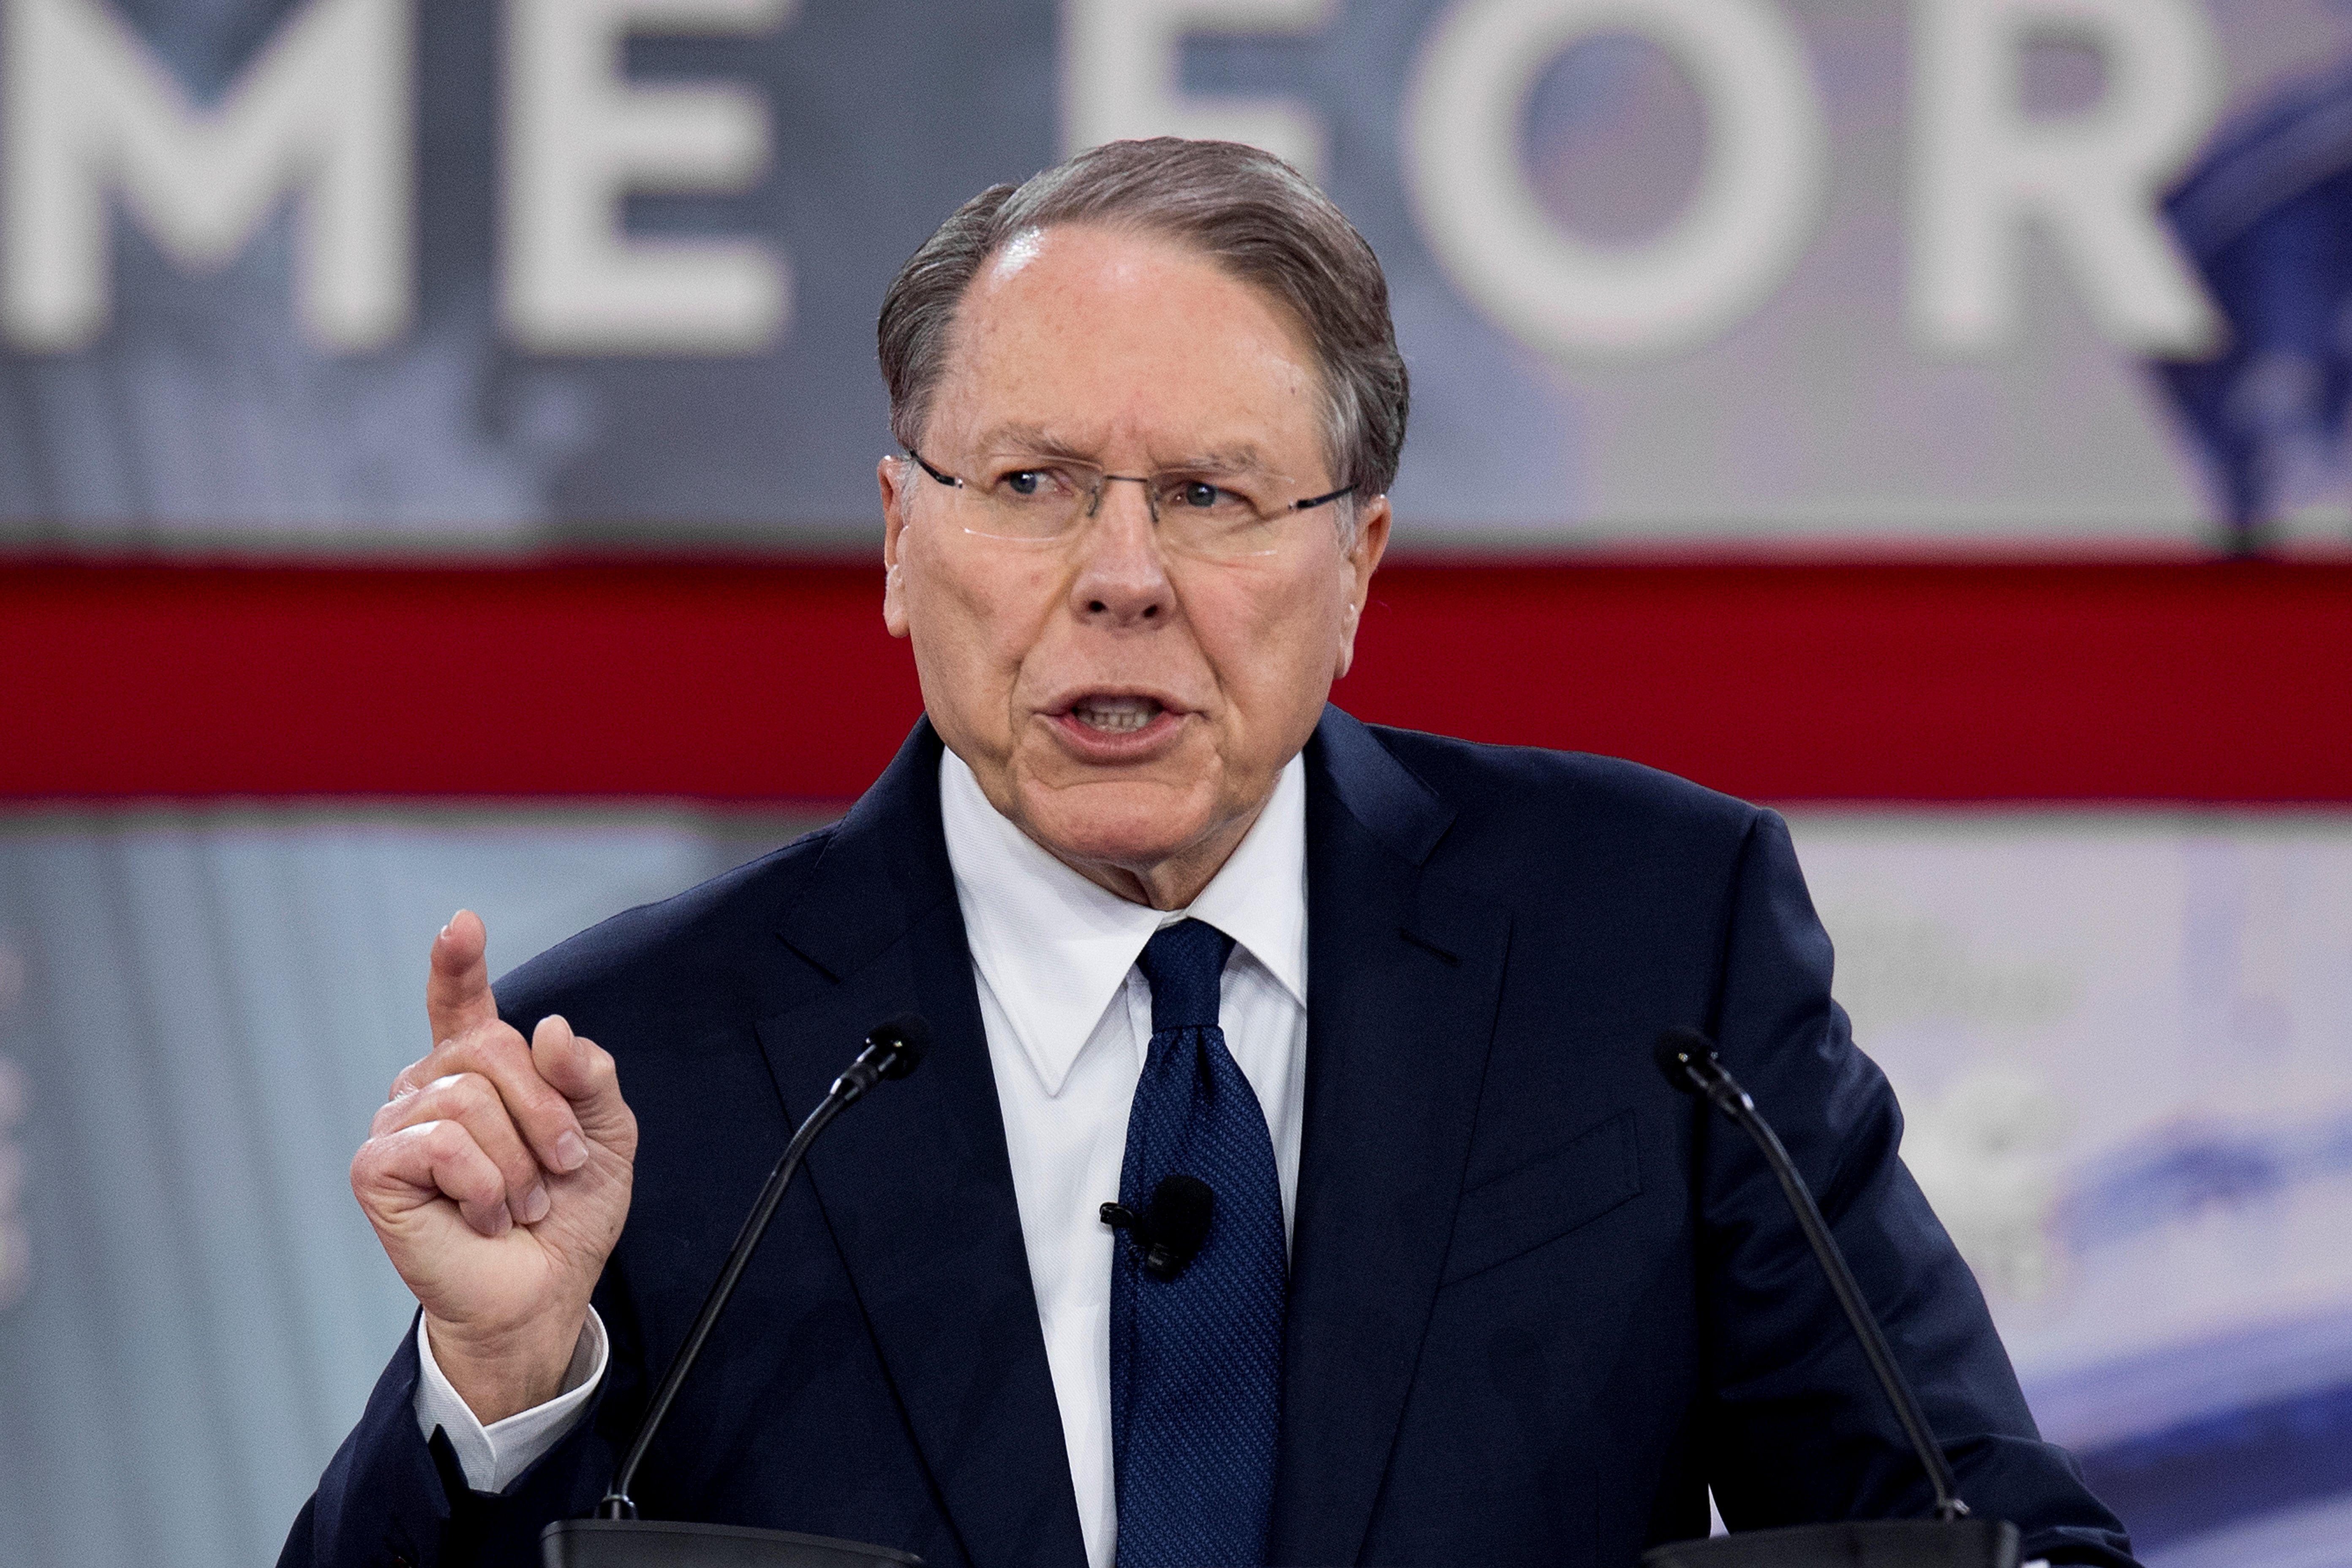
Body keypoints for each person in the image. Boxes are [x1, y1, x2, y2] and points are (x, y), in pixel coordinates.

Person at [281, 138, 2136, 1568]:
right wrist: (506, 1393)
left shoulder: (1651, 952)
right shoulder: (640, 1060)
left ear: (1359, 565)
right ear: (896, 542)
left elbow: (1983, 1519)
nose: (1120, 575)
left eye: (1212, 496)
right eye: (1028, 485)